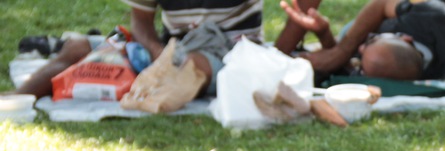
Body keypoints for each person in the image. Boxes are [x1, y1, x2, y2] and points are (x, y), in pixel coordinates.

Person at [12, 0, 263, 100]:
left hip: (229, 52)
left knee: (192, 65)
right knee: (77, 47)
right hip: (169, 48)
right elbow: (141, 23)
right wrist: (157, 52)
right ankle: (17, 99)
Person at [275, 0, 445, 81]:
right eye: (371, 41)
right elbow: (382, 3)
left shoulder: (381, 66)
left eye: (360, 62)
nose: (361, 47)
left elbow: (344, 66)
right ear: (405, 38)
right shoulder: (434, 18)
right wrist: (341, 51)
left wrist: (324, 34)